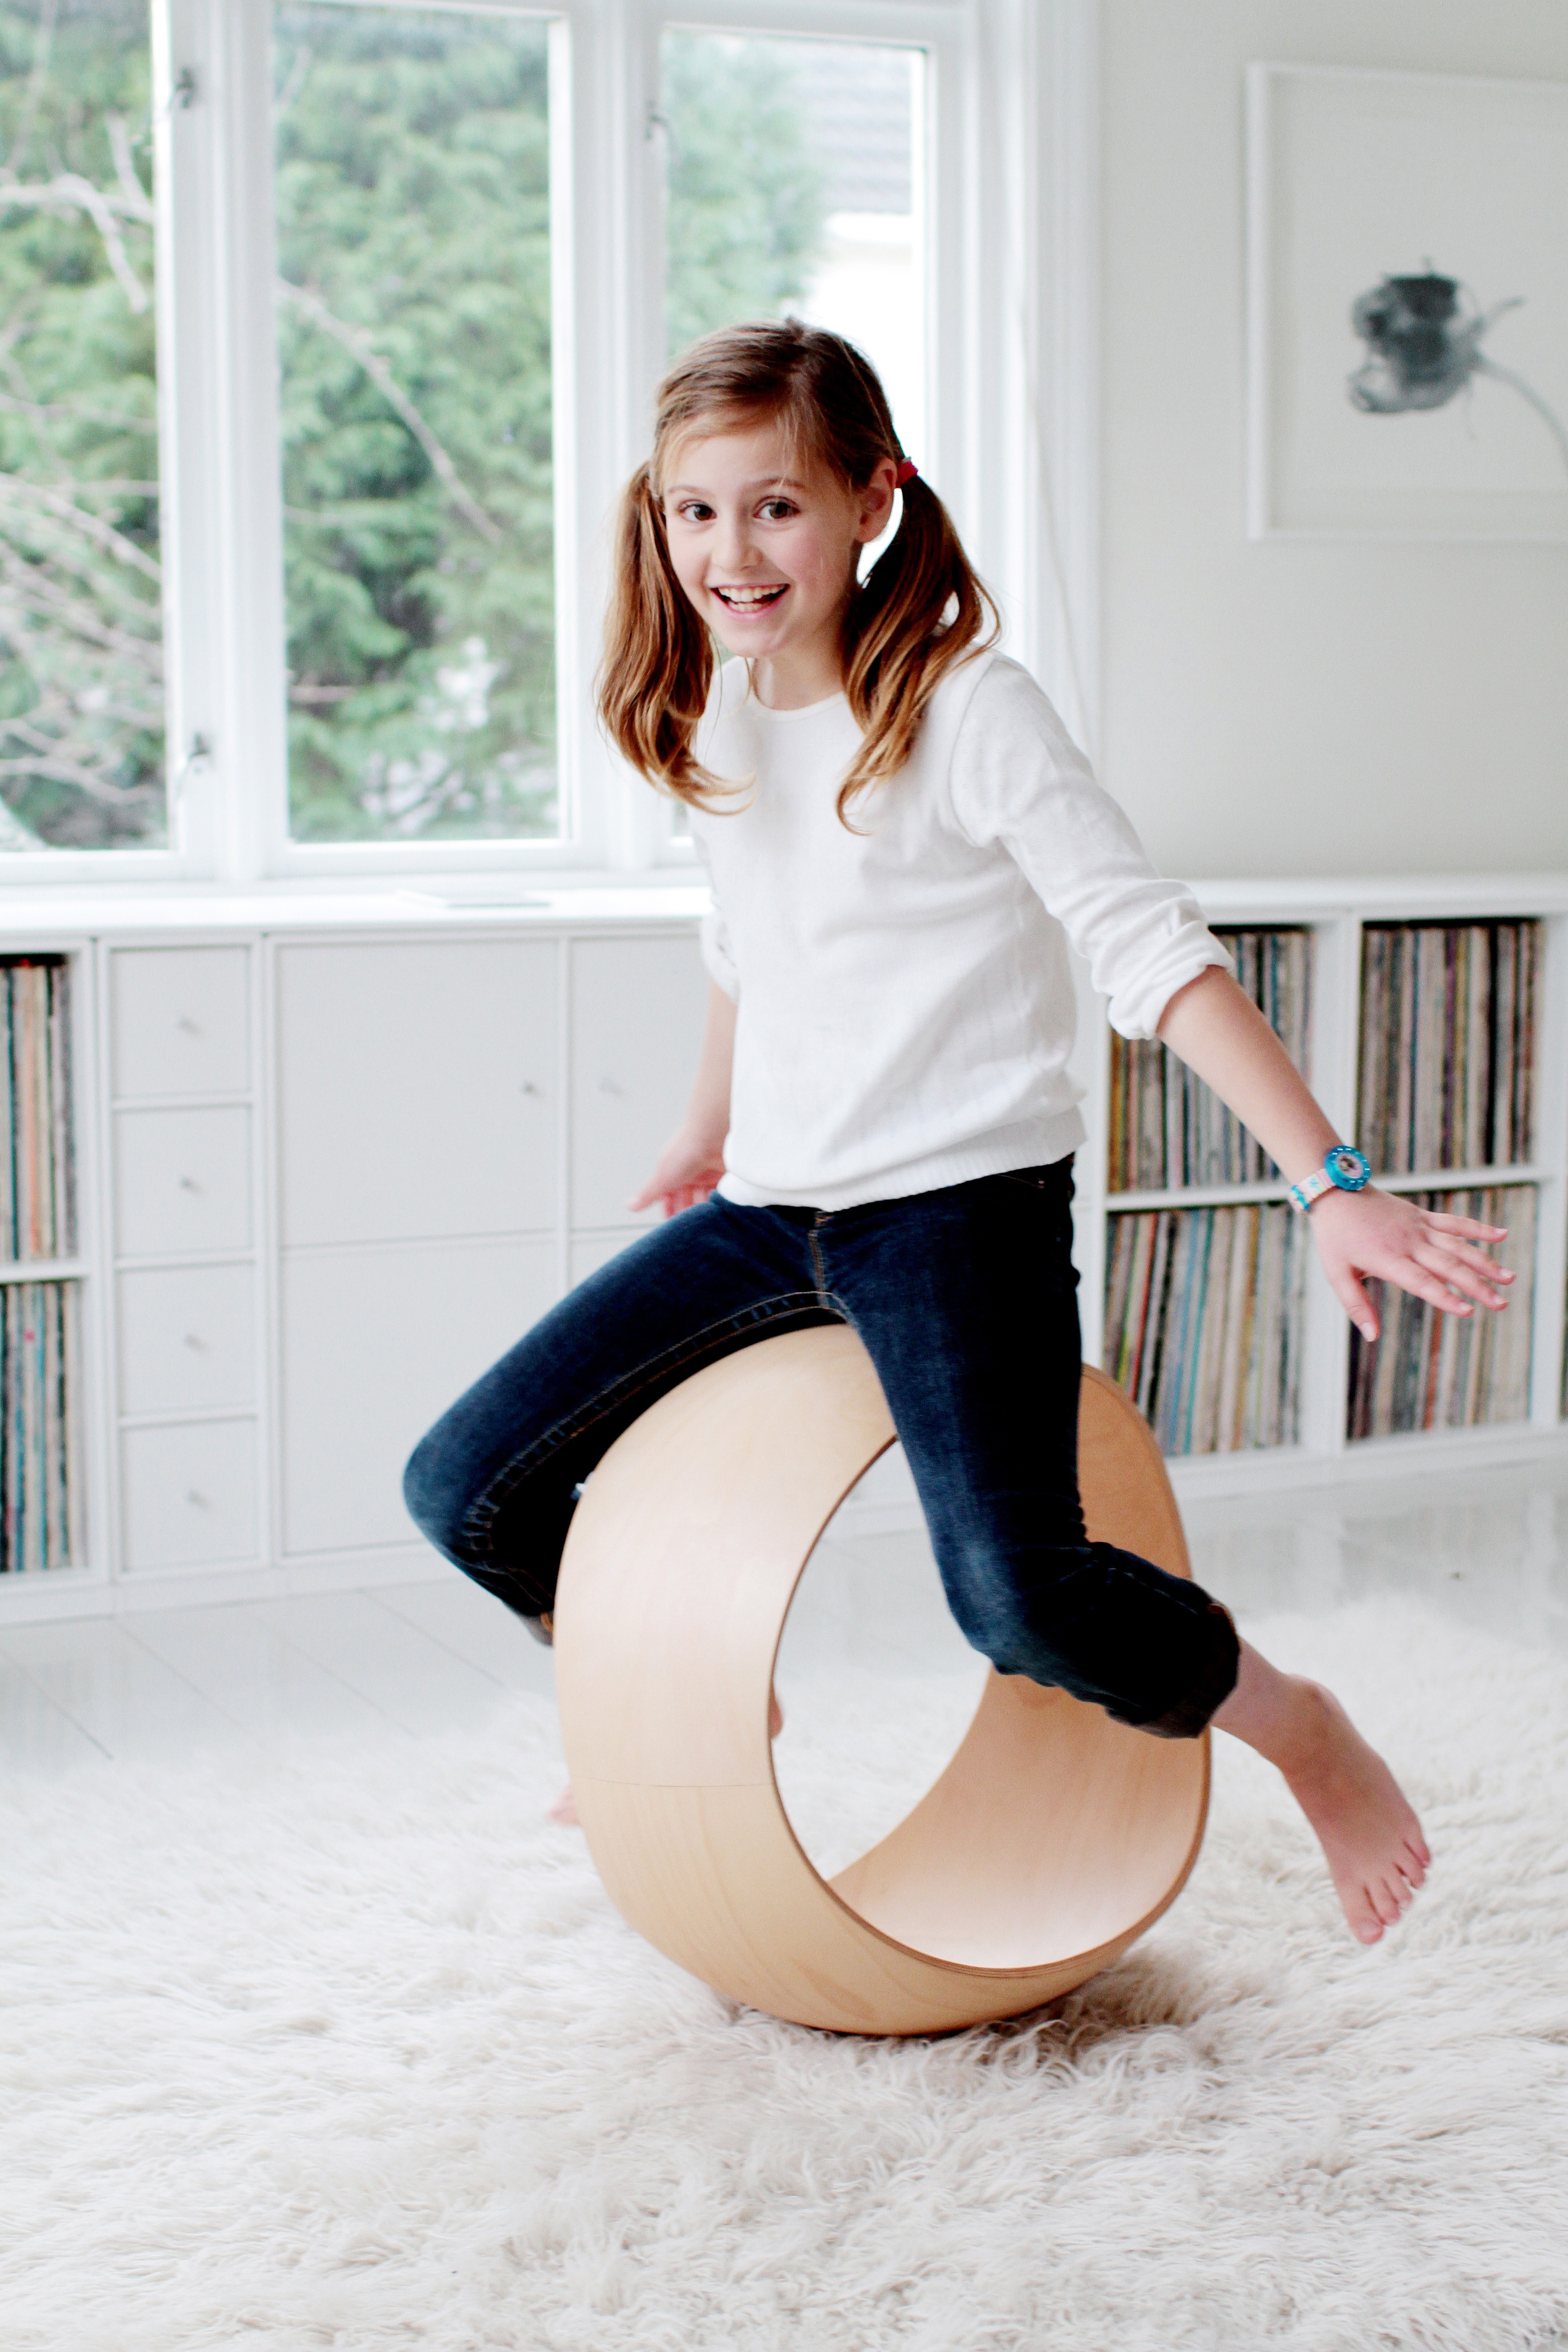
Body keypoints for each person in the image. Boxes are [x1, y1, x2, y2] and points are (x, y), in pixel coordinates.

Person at [404, 319, 1512, 1947]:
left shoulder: (970, 708)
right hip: (773, 1207)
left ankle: (1303, 1730)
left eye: (777, 507)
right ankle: (706, 1693)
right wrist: (707, 1131)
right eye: (697, 511)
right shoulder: (715, 711)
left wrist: (1329, 1182)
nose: (732, 552)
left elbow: (1156, 953)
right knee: (466, 1488)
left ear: (872, 499)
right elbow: (746, 947)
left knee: (1020, 1603)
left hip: (955, 1208)